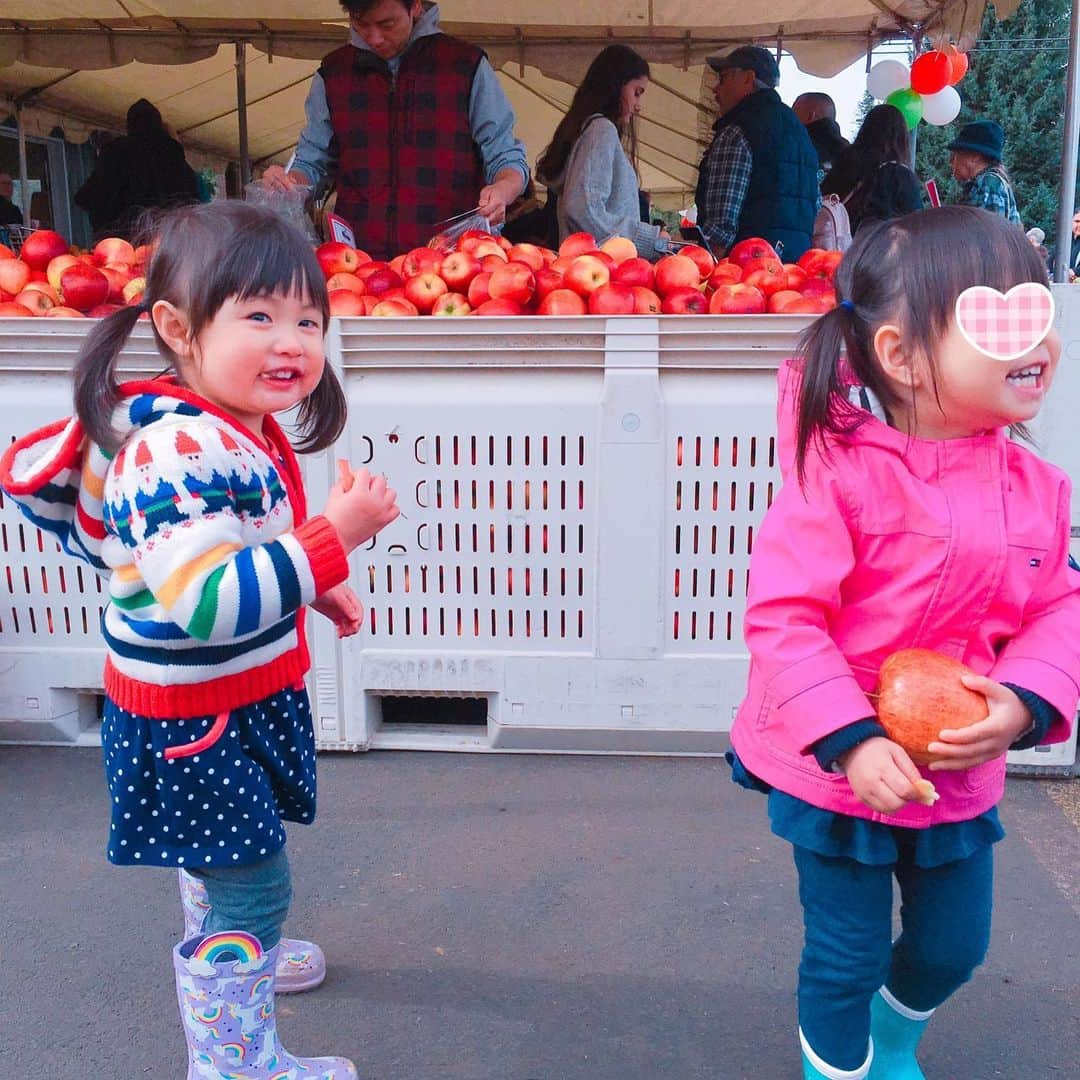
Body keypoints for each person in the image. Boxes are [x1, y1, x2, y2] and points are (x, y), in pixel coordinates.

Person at [0, 201, 401, 1079]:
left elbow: (239, 551)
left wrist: (312, 584)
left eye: (307, 319)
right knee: (257, 880)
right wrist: (332, 536)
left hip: (223, 705)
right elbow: (210, 605)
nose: (291, 339)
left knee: (223, 862)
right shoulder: (175, 451)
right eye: (258, 316)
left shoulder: (231, 428)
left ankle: (230, 936)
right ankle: (233, 1056)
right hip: (195, 723)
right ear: (178, 329)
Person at [727, 206, 1080, 1080]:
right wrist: (848, 740)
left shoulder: (1038, 486)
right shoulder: (836, 475)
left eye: (1035, 309)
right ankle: (837, 1069)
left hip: (956, 770)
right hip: (837, 772)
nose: (1032, 339)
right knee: (844, 959)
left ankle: (895, 1034)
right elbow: (784, 615)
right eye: (994, 318)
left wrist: (1028, 701)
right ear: (899, 356)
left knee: (954, 948)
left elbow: (1059, 605)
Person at [261, 0, 528, 260]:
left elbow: (505, 152)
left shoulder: (465, 66)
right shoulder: (333, 74)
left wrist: (504, 188)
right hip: (358, 265)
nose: (375, 38)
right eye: (361, 24)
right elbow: (312, 159)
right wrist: (289, 184)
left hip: (450, 263)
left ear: (415, 6)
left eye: (387, 24)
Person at [536, 44, 668, 261]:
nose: (638, 106)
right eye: (637, 92)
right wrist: (645, 239)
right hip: (605, 271)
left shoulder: (588, 131)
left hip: (589, 268)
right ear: (615, 85)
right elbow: (582, 208)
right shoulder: (601, 130)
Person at [696, 45, 819, 261]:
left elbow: (722, 223)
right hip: (797, 265)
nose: (716, 89)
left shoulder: (739, 129)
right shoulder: (799, 132)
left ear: (748, 79)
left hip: (747, 268)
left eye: (723, 78)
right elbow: (815, 205)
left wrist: (707, 266)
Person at [73, 99, 200, 240]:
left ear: (130, 125)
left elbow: (89, 196)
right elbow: (194, 202)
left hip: (126, 241)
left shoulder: (118, 152)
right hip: (172, 241)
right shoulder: (177, 159)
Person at [821, 104, 924, 234]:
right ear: (901, 137)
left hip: (838, 244)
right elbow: (917, 223)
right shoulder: (900, 176)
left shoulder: (845, 162)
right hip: (877, 247)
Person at [948, 120, 1022, 226]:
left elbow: (989, 234)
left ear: (974, 157)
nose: (951, 162)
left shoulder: (989, 183)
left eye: (955, 156)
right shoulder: (985, 182)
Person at [793, 93, 850, 176]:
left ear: (811, 116)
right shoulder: (849, 156)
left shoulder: (794, 148)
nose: (791, 117)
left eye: (794, 112)